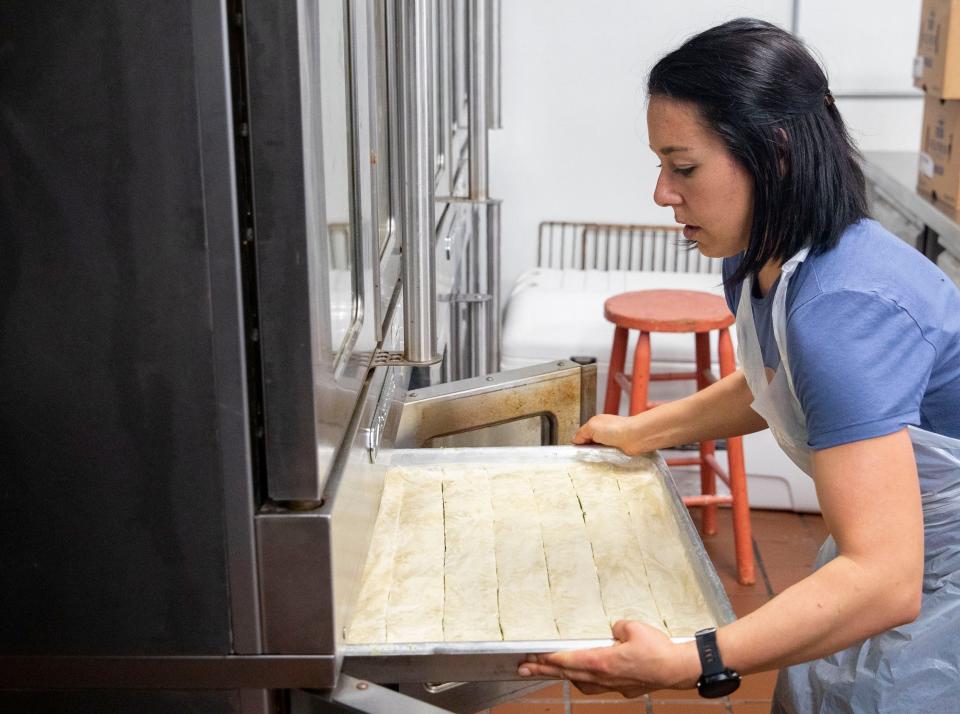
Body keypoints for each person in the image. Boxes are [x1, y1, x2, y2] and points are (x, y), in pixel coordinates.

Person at [517, 17, 960, 713]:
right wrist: (647, 429)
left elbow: (883, 580)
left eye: (683, 167)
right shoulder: (757, 257)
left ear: (774, 154)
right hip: (885, 544)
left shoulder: (845, 307)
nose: (663, 193)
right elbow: (778, 386)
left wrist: (688, 660)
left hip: (935, 577)